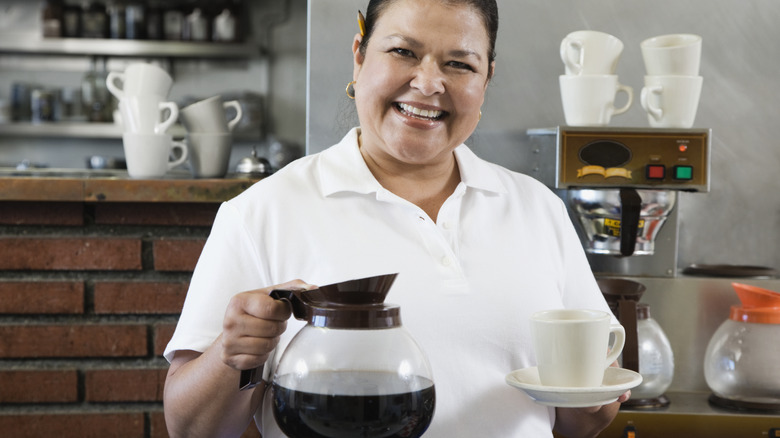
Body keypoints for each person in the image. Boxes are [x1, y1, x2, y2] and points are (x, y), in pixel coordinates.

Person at [163, 0, 629, 436]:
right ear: (359, 58)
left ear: (486, 80)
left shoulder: (537, 208)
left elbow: (580, 422)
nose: (428, 84)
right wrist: (232, 358)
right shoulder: (262, 212)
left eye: (460, 64)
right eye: (403, 51)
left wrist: (593, 400)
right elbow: (190, 428)